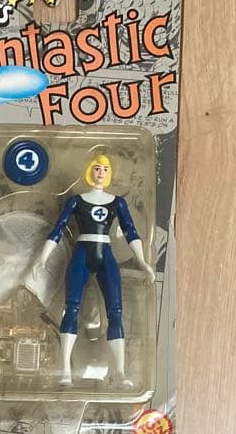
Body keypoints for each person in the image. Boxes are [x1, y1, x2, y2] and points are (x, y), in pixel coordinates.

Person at [36, 154, 155, 386]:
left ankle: (119, 372)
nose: (101, 172)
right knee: (71, 309)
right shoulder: (76, 200)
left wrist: (142, 261)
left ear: (109, 173)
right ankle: (65, 369)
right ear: (91, 170)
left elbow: (130, 232)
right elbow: (58, 229)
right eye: (97, 168)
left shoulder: (117, 202)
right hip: (82, 252)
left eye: (105, 169)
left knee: (115, 312)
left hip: (105, 254)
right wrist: (41, 259)